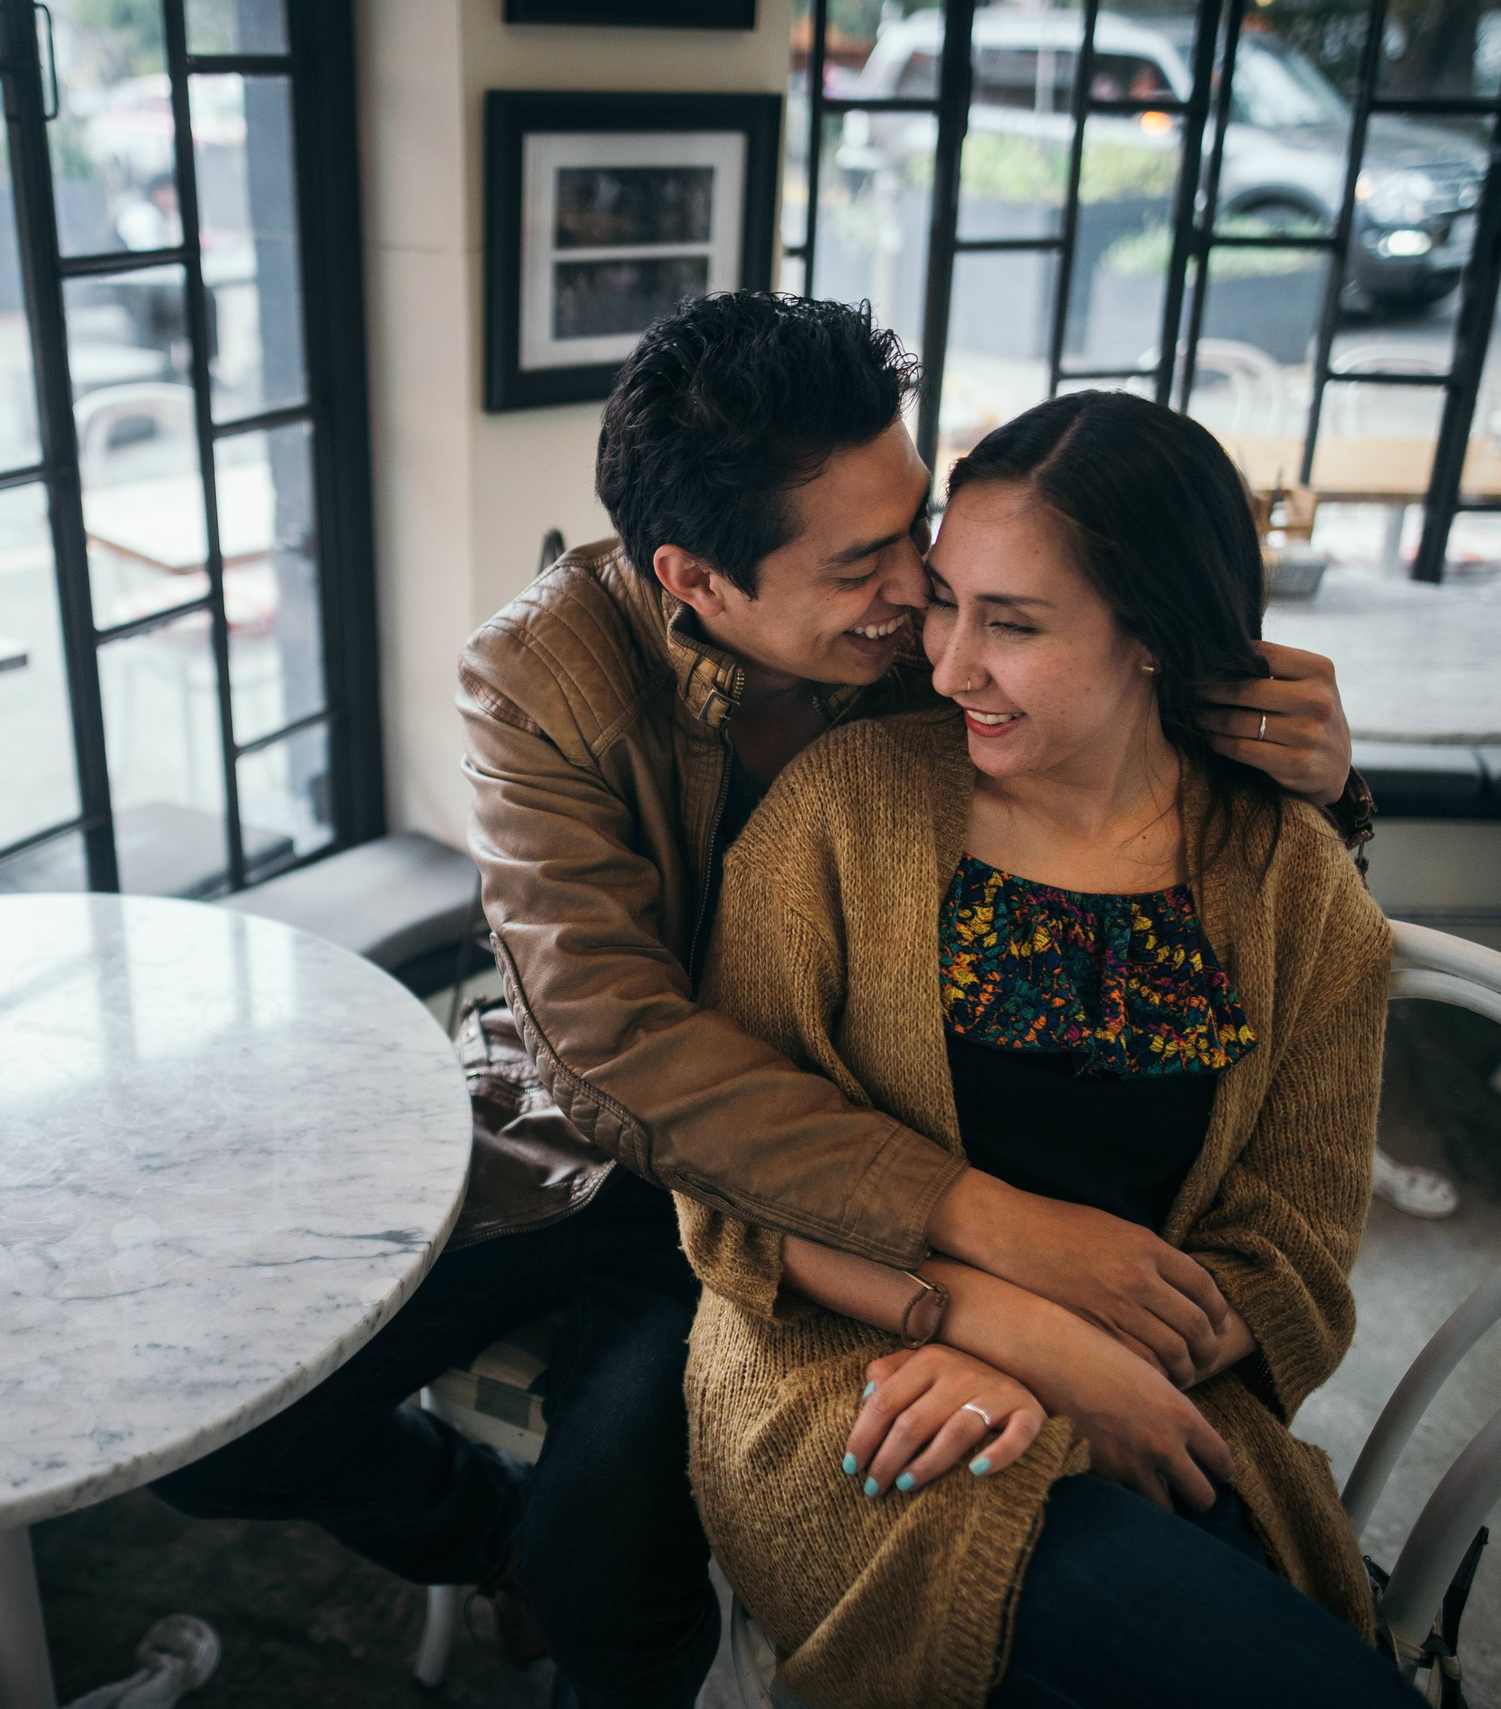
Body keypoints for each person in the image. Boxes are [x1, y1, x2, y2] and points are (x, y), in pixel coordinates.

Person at [156, 294, 1367, 1709]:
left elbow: (1184, 835)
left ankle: (577, 1592)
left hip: (826, 1201)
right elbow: (614, 1043)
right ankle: (492, 1539)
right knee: (221, 1427)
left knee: (618, 1552)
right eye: (867, 563)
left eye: (914, 526)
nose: (921, 597)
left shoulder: (938, 652)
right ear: (699, 579)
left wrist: (1327, 782)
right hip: (595, 1151)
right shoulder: (540, 678)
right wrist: (988, 1238)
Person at [675, 388, 1417, 1709]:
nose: (950, 662)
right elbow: (730, 1192)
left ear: (1155, 636)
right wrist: (1001, 1333)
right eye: (946, 601)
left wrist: (1094, 1370)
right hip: (855, 1391)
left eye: (1011, 624)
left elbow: (1297, 1248)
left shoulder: (1289, 879)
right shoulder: (842, 815)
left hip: (1158, 1405)